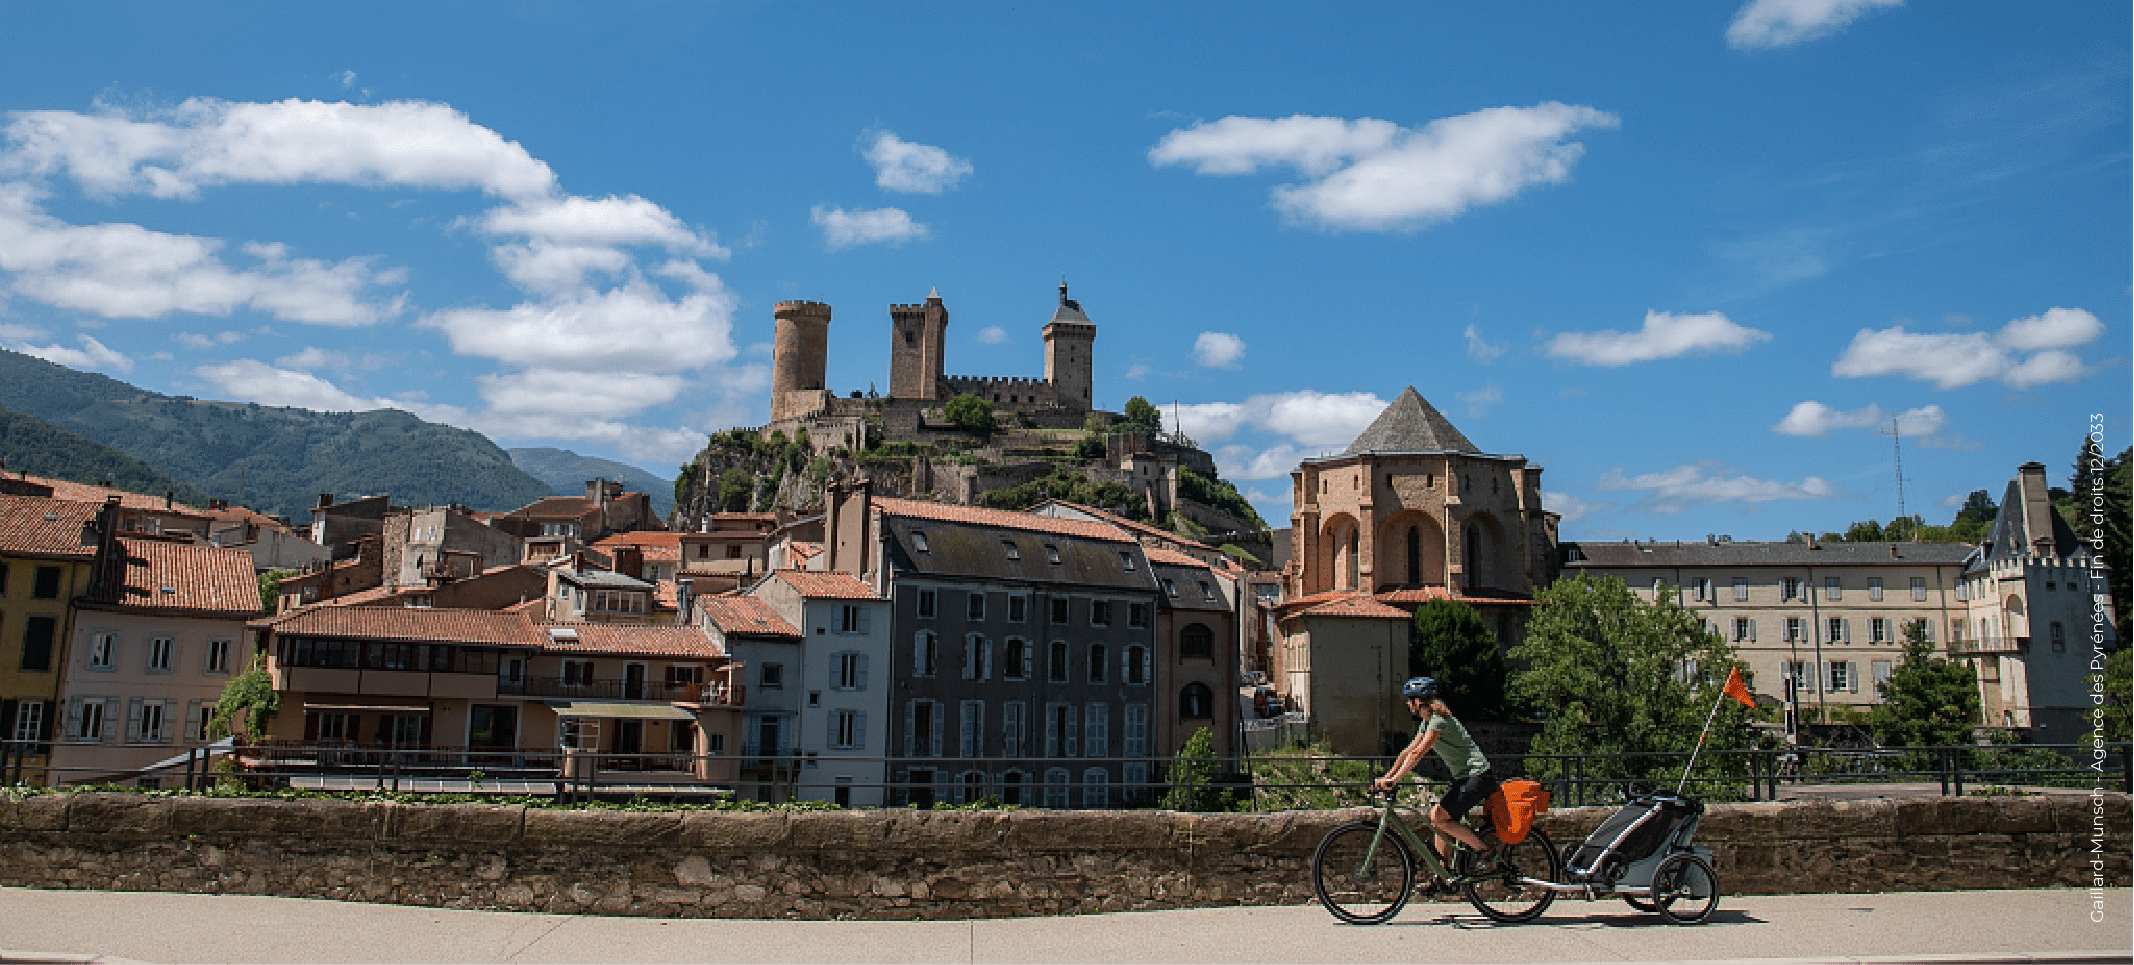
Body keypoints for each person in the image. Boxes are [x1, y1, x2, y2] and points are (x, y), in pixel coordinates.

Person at [1372, 676, 1499, 869]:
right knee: (1439, 820)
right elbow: (1407, 751)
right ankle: (1442, 875)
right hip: (1462, 777)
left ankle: (1483, 850)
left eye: (1409, 700)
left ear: (1418, 701)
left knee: (1438, 817)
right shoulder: (1428, 721)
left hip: (1477, 776)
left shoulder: (1439, 721)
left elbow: (1418, 754)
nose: (1408, 704)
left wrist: (1395, 780)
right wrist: (1388, 777)